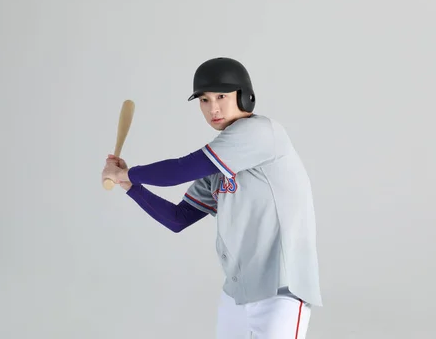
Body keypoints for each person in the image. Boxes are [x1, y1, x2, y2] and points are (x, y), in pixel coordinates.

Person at [101, 57, 323, 339]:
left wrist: (130, 173)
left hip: (281, 291)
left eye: (221, 96)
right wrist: (129, 185)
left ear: (244, 97)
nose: (213, 108)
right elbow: (177, 218)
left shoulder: (261, 131)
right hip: (237, 292)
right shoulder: (220, 166)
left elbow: (181, 169)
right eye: (204, 100)